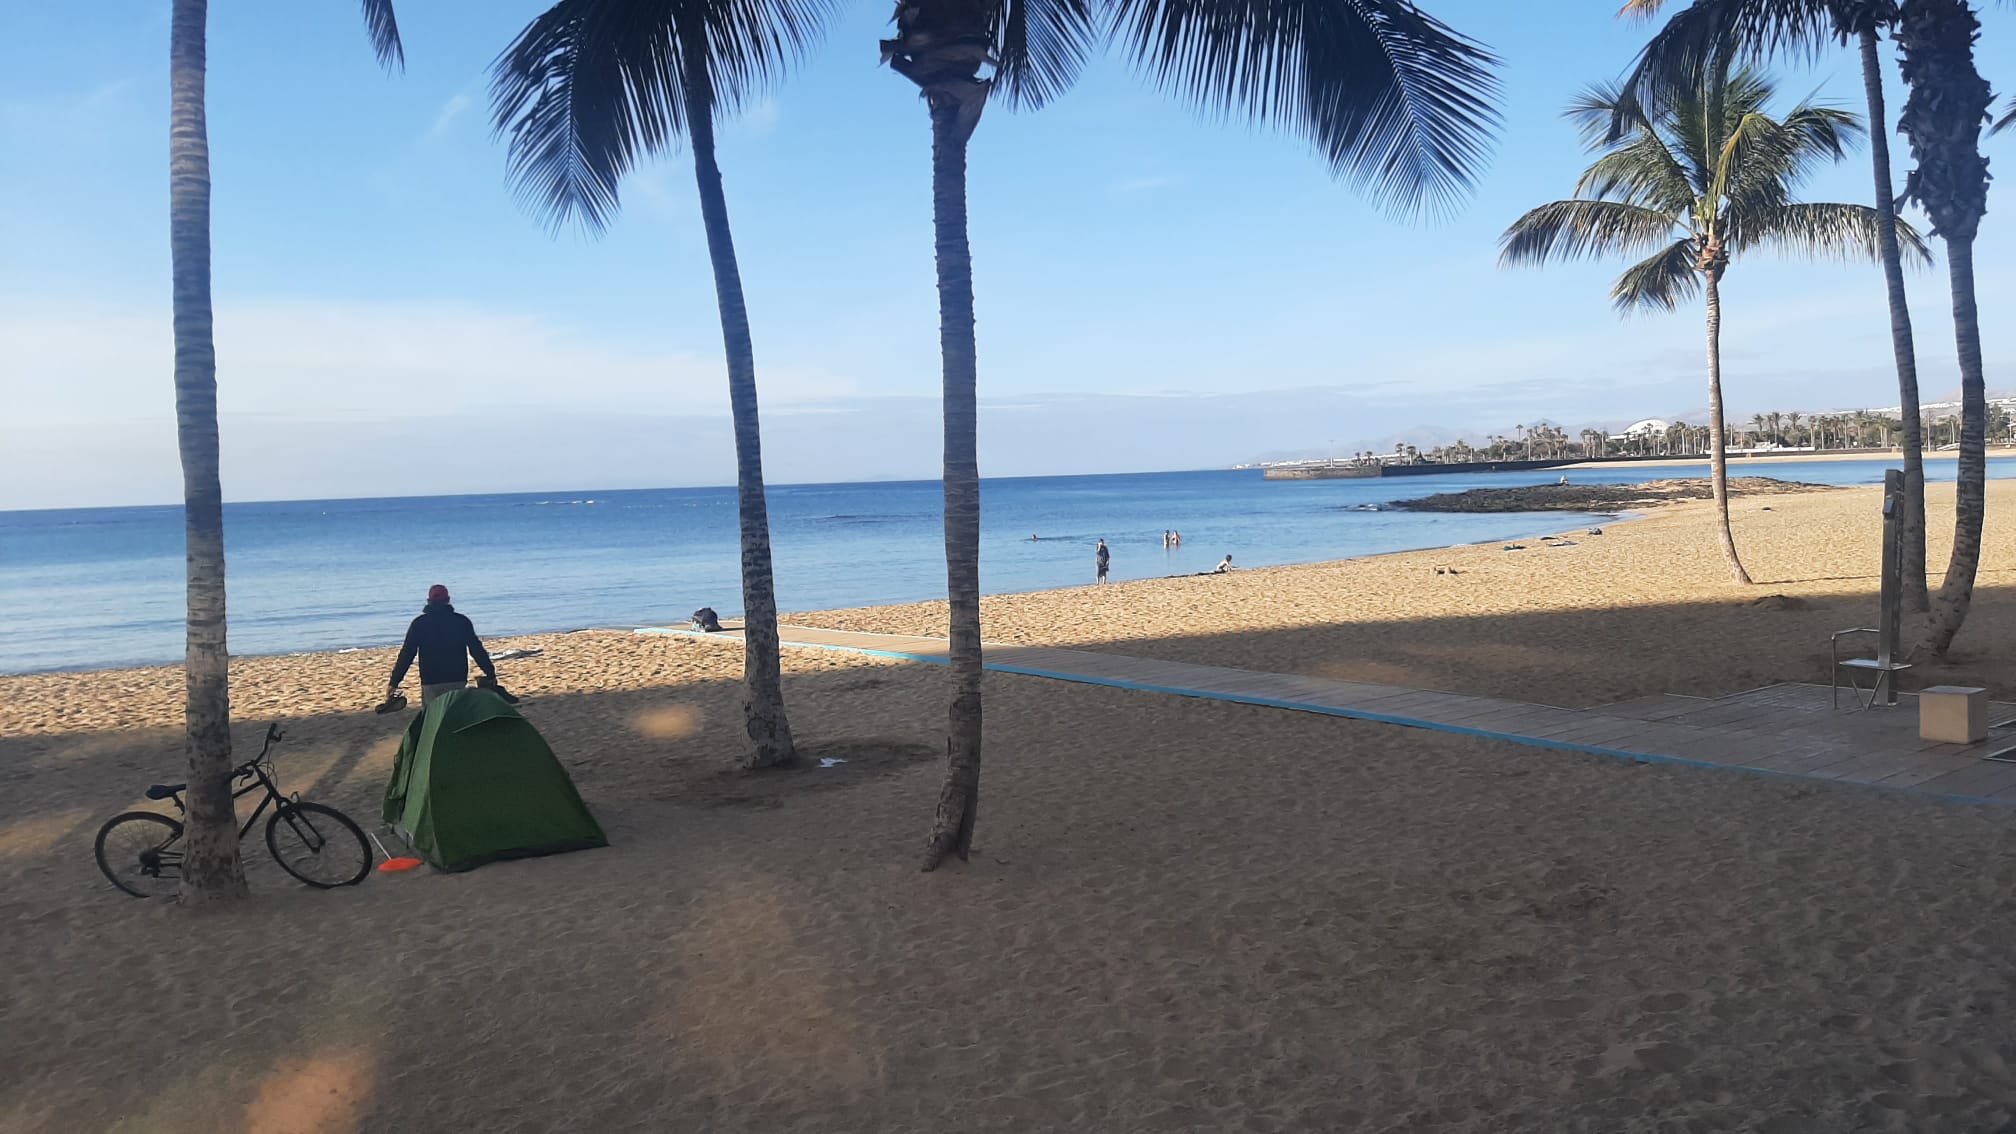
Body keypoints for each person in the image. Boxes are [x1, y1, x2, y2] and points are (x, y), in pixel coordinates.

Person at [388, 584, 496, 707]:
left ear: (429, 601)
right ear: (448, 600)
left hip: (431, 680)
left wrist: (394, 682)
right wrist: (490, 673)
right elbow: (476, 649)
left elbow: (407, 654)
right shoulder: (461, 621)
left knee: (433, 718)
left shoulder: (419, 624)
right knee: (455, 716)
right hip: (457, 677)